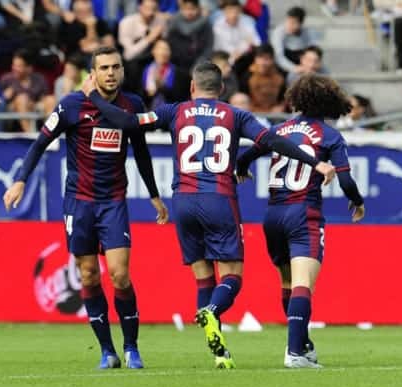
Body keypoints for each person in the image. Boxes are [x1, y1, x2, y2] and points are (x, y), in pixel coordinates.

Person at [82, 61, 336, 369]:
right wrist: (314, 162)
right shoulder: (235, 114)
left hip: (183, 202)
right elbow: (271, 140)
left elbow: (127, 121)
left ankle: (217, 351)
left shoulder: (173, 111)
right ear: (222, 89)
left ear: (192, 87)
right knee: (232, 277)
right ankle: (213, 311)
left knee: (203, 278)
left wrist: (94, 97)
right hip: (219, 199)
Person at [3, 46, 169, 370]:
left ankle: (132, 347)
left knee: (121, 275)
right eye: (104, 67)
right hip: (79, 202)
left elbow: (142, 151)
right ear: (92, 73)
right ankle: (108, 351)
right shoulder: (71, 105)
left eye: (115, 67)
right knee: (89, 274)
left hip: (113, 201)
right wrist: (20, 180)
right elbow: (39, 144)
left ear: (122, 70)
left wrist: (153, 194)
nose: (110, 73)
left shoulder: (131, 104)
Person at [235, 74, 365, 369]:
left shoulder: (279, 128)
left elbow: (247, 154)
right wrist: (357, 201)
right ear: (330, 101)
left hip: (273, 216)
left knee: (287, 282)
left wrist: (242, 168)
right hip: (303, 213)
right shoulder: (330, 135)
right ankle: (294, 353)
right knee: (303, 284)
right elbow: (345, 179)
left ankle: (302, 345)